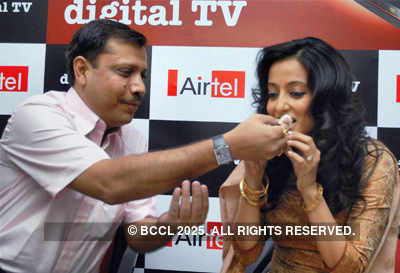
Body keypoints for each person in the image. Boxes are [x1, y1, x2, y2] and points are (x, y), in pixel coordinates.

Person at [0, 19, 287, 273]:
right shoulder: (37, 115)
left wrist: (169, 225)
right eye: (125, 72)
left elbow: (138, 235)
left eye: (143, 75)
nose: (140, 87)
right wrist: (228, 146)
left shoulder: (132, 138)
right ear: (82, 70)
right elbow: (109, 182)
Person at [219, 37, 400, 273]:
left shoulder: (372, 161)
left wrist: (309, 189)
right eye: (273, 94)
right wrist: (253, 177)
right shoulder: (271, 152)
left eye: (295, 93)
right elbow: (246, 252)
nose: (279, 106)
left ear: (326, 99)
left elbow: (349, 267)